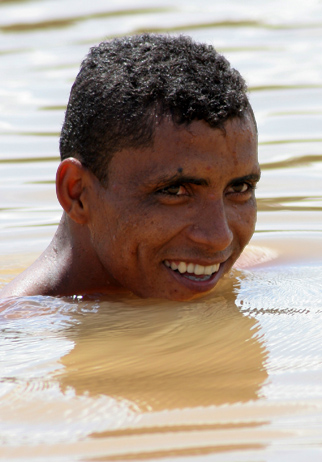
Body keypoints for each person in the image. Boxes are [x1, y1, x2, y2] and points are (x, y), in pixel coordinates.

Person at [0, 34, 260, 301]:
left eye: (239, 188)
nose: (220, 239)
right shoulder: (19, 331)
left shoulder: (228, 272)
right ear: (77, 193)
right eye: (174, 191)